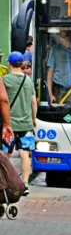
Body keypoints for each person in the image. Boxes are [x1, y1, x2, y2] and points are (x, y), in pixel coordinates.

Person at [3, 52, 35, 189]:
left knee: (5, 154)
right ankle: (25, 183)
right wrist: (33, 119)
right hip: (26, 124)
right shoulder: (29, 81)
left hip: (8, 125)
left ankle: (5, 182)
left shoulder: (5, 80)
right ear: (22, 64)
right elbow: (33, 102)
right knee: (25, 153)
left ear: (9, 64)